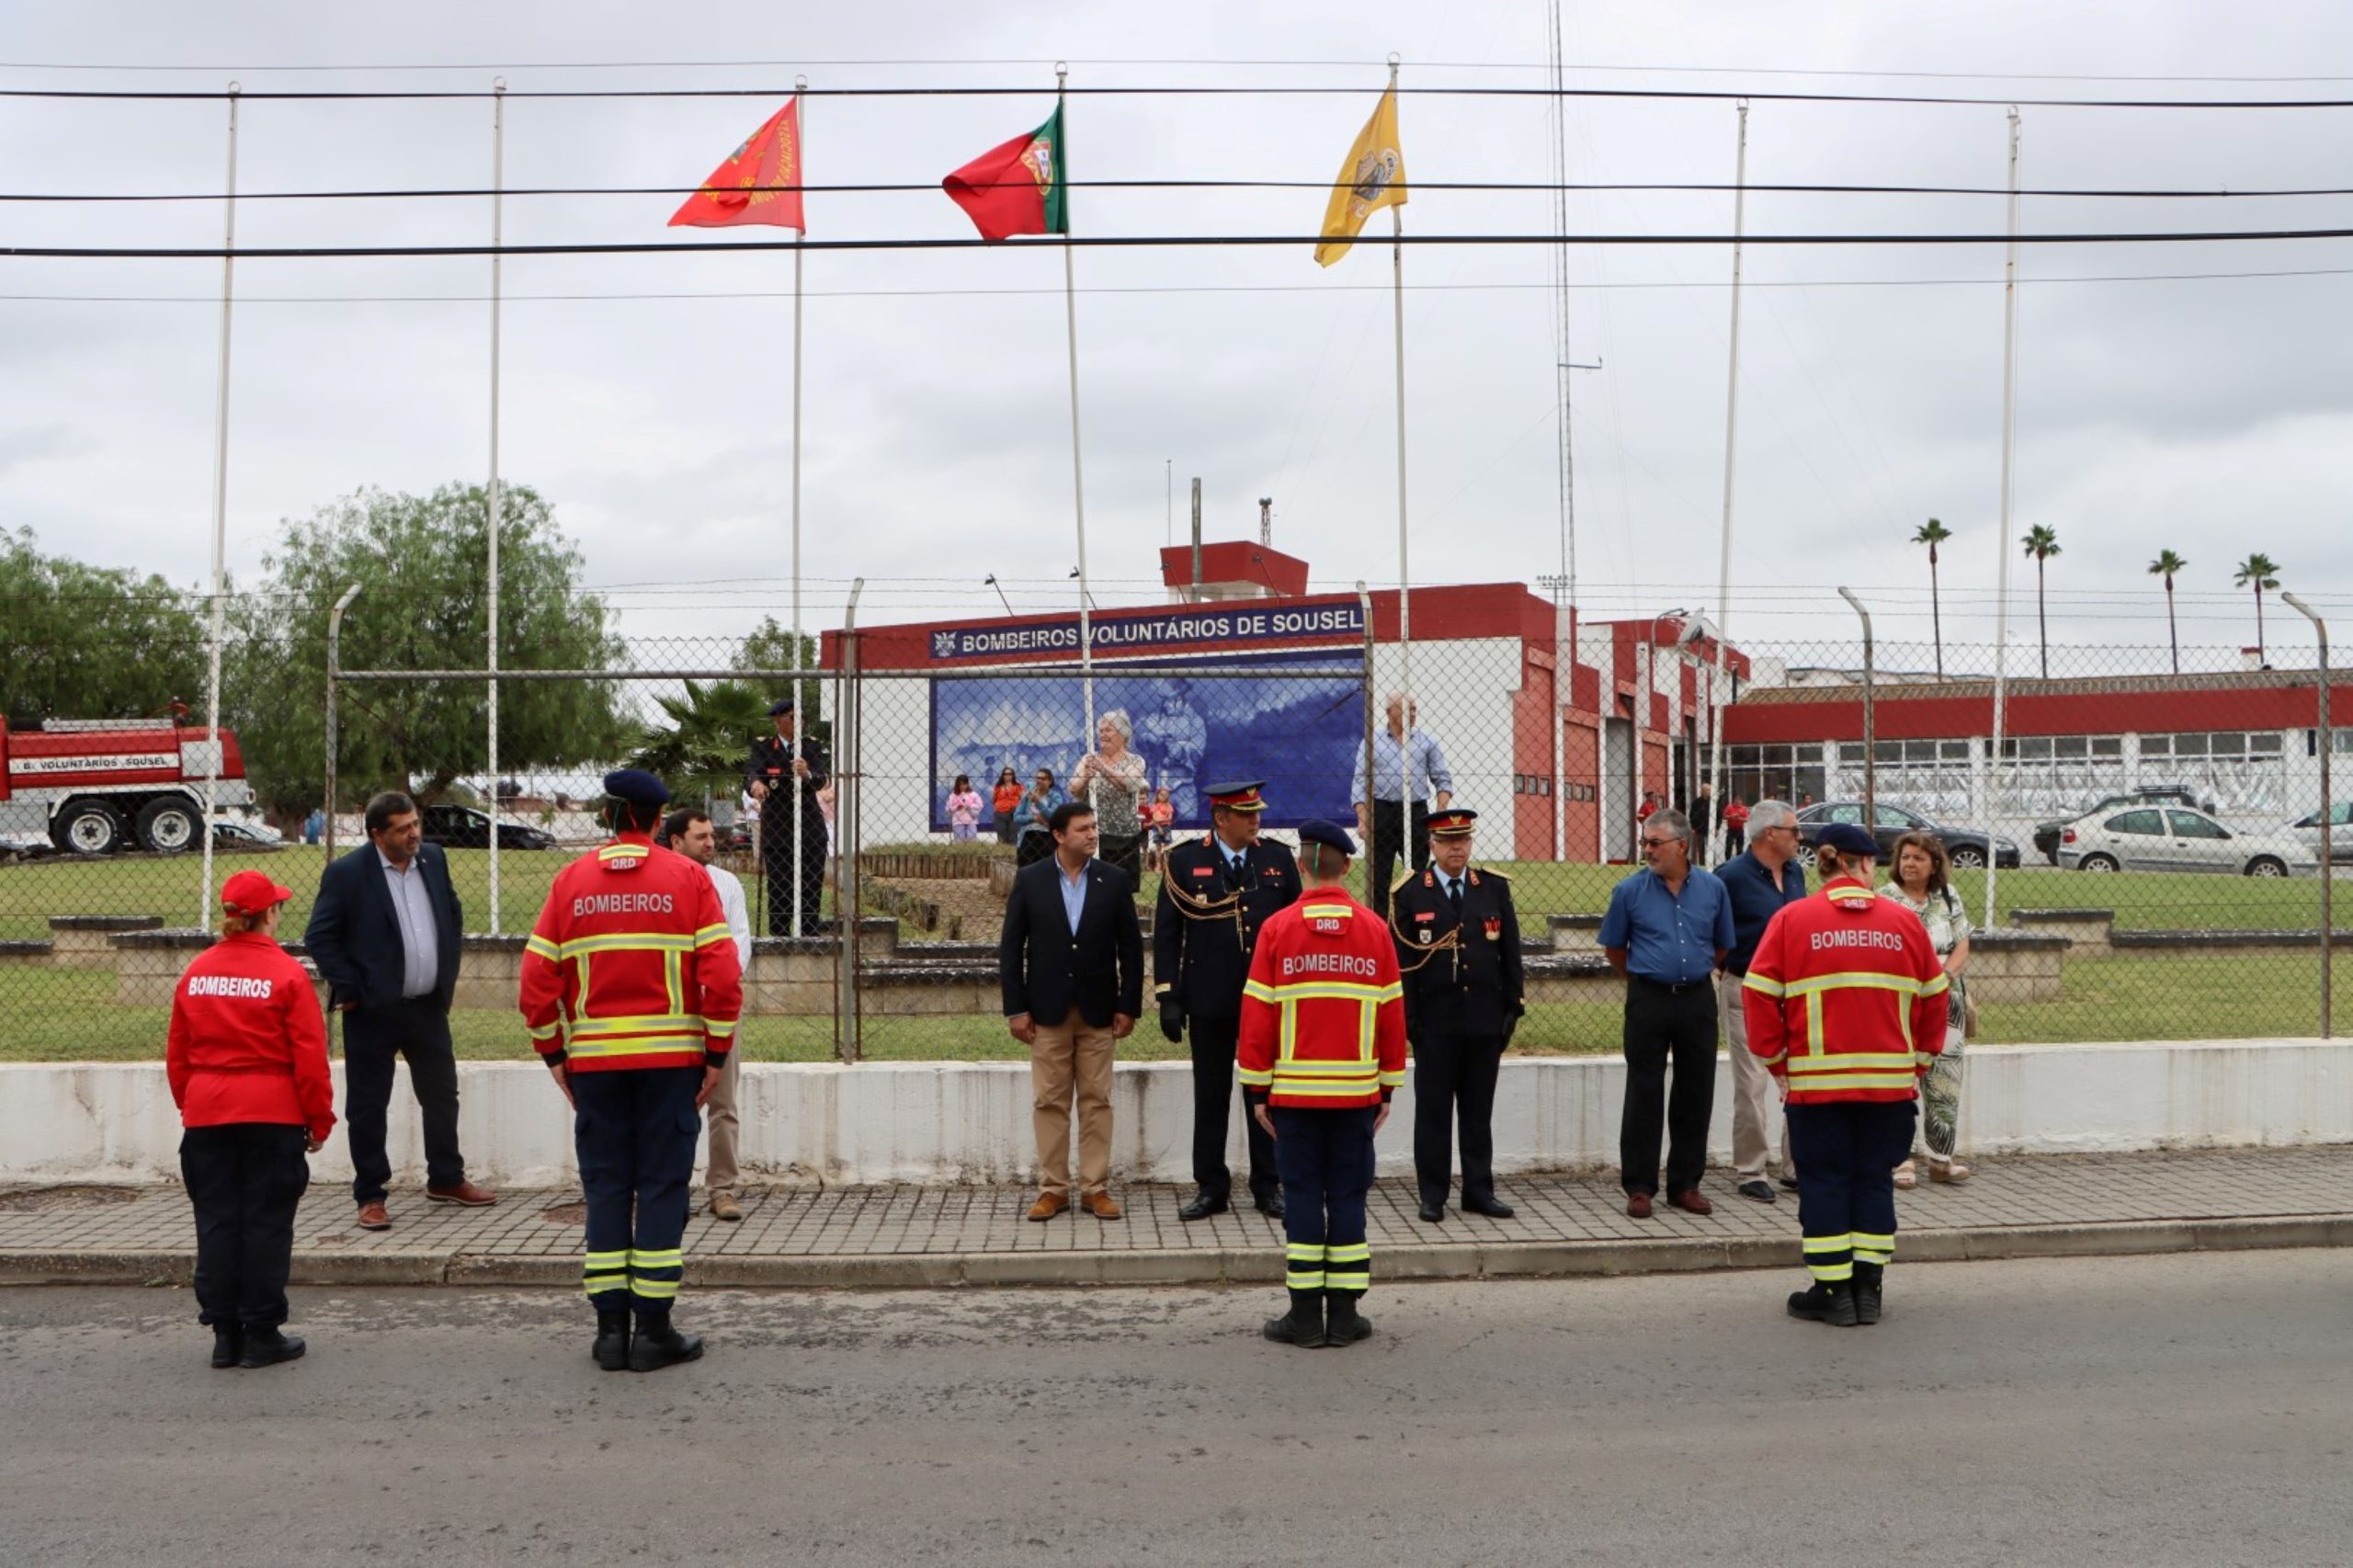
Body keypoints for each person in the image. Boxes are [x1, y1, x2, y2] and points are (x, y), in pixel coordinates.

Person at [520, 769, 745, 1373]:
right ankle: (653, 1332)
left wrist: (554, 1055)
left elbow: (536, 981)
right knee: (663, 1188)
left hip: (595, 1068)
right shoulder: (689, 879)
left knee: (607, 1189)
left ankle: (609, 1333)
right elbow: (723, 978)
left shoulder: (571, 881)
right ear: (656, 820)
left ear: (607, 817)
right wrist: (715, 1055)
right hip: (672, 1067)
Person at [1742, 822, 1949, 1327]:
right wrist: (1919, 1062)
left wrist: (1778, 1063)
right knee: (1874, 1180)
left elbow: (1759, 996)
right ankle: (1868, 1290)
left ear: (1823, 863)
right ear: (1866, 864)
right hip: (1890, 1089)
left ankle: (1833, 1292)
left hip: (1817, 1090)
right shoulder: (1904, 923)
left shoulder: (1792, 919)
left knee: (1825, 1184)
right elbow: (1935, 999)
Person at [1238, 820, 1406, 1348]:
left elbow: (1257, 1017)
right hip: (1356, 1096)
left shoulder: (1276, 930)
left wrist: (1258, 1091)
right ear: (1347, 867)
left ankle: (1306, 1317)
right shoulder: (1375, 930)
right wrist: (1387, 1088)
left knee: (1304, 1196)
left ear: (1300, 865)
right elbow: (1392, 1016)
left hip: (1293, 1098)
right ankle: (1346, 1315)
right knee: (1349, 1196)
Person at [303, 789, 494, 1232]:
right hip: (372, 1011)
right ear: (377, 834)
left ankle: (446, 1178)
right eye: (403, 828)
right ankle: (371, 1194)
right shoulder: (348, 873)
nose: (414, 834)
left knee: (441, 1095)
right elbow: (320, 937)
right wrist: (352, 987)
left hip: (427, 1006)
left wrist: (445, 969)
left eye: (416, 824)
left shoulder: (433, 858)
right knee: (369, 1105)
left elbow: (452, 914)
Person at [167, 869, 335, 1370]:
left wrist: (193, 1104)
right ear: (270, 914)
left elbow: (178, 1053)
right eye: (278, 907)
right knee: (265, 1223)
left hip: (207, 1114)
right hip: (272, 1113)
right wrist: (319, 1119)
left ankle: (224, 1334)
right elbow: (309, 1057)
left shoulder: (197, 972)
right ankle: (261, 1332)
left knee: (217, 1221)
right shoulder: (287, 974)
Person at [1154, 780, 1301, 1221]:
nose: (1256, 820)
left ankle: (1268, 1184)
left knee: (1265, 1093)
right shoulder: (1184, 861)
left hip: (1266, 999)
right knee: (1211, 1093)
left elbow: (1295, 928)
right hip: (1208, 997)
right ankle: (1211, 1187)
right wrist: (1169, 996)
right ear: (1221, 819)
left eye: (1257, 812)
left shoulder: (1276, 858)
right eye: (1246, 814)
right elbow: (1168, 934)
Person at [998, 800, 1143, 1222]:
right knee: (1050, 1101)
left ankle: (1095, 1189)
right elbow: (1011, 948)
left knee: (1097, 1101)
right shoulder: (1031, 879)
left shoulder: (1114, 880)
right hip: (1046, 1012)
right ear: (1059, 836)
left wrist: (1128, 1004)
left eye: (1094, 827)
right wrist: (1016, 1009)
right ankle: (1053, 1190)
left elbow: (1131, 949)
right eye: (1083, 829)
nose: (1093, 834)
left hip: (1099, 1011)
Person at [1389, 807, 1524, 1223]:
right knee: (1433, 1112)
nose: (1457, 848)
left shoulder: (1492, 888)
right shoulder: (1412, 892)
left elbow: (1510, 953)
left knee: (1477, 1111)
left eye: (1463, 840)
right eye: (1448, 842)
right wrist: (1410, 1017)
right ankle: (1433, 1194)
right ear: (1432, 845)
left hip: (1484, 1019)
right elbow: (1402, 963)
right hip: (1435, 1022)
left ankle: (1479, 1191)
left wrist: (1513, 1006)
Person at [1599, 806, 1734, 1219]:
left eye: (1655, 843)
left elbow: (1722, 944)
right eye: (1645, 842)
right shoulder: (1629, 891)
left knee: (1696, 1091)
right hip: (1648, 1000)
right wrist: (1646, 976)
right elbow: (1614, 948)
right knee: (1644, 1092)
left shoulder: (1713, 888)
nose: (1647, 850)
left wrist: (1689, 971)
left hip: (1696, 999)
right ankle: (1640, 1187)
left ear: (1682, 845)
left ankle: (1686, 1185)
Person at [663, 807, 756, 1221]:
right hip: (672, 1011)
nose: (711, 843)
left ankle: (722, 1188)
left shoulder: (727, 883)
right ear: (676, 841)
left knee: (723, 1103)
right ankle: (668, 1188)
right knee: (670, 1103)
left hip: (719, 1005)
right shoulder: (661, 885)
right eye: (700, 837)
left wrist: (716, 988)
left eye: (711, 835)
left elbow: (739, 943)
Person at [1714, 800, 1807, 1203]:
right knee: (1752, 1082)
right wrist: (1725, 970)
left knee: (1800, 1078)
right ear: (1770, 834)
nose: (1800, 837)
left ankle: (1797, 1167)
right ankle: (1751, 1170)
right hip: (1748, 989)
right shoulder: (1730, 877)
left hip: (1795, 990)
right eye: (1794, 830)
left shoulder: (1796, 872)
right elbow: (1714, 931)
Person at [1881, 831, 1975, 1187]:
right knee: (1900, 1079)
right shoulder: (1884, 899)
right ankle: (1900, 1159)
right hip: (1901, 999)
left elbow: (1962, 943)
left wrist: (1944, 977)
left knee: (1945, 1078)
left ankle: (1941, 1159)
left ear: (1934, 864)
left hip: (1946, 999)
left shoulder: (1948, 897)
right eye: (1905, 857)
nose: (1910, 864)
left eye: (1918, 858)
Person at [1350, 692, 1455, 924]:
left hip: (1417, 812)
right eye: (1408, 709)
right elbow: (1359, 782)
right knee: (1379, 876)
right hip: (1383, 812)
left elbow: (1443, 780)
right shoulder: (1372, 742)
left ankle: (1416, 924)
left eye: (1415, 709)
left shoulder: (1427, 742)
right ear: (1390, 712)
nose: (1413, 713)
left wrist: (1439, 815)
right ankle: (1379, 926)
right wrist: (1363, 820)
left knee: (1418, 874)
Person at [745, 696, 829, 937]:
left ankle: (809, 936)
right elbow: (751, 773)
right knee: (780, 887)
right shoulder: (764, 746)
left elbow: (821, 779)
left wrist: (807, 774)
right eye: (792, 717)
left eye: (802, 718)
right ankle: (780, 938)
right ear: (777, 720)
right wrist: (756, 784)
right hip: (778, 828)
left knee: (811, 886)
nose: (799, 722)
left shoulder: (811, 746)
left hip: (809, 827)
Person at [1070, 710, 1150, 881]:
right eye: (1100, 730)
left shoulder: (1135, 761)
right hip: (1094, 836)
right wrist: (1085, 779)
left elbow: (1127, 783)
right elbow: (1074, 789)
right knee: (1093, 886)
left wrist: (1102, 768)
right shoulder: (1089, 759)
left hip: (1126, 837)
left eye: (1108, 730)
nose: (1102, 734)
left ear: (1123, 734)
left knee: (1123, 888)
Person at [1012, 767, 1068, 869]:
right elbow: (1016, 817)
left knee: (1047, 869)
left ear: (1050, 781)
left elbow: (1053, 816)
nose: (1039, 781)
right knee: (1026, 869)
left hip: (1047, 835)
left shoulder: (1055, 797)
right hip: (1028, 835)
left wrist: (1038, 803)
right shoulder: (1028, 796)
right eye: (1038, 778)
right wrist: (1033, 818)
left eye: (1043, 778)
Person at [1142, 785, 1176, 873]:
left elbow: (1170, 818)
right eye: (1161, 795)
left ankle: (1167, 865)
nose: (1163, 797)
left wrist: (1160, 819)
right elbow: (1155, 819)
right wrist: (1159, 825)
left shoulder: (1169, 806)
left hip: (1167, 827)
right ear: (1158, 795)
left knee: (1167, 847)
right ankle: (1158, 865)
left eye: (1166, 795)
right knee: (1158, 847)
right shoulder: (1155, 806)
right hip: (1157, 828)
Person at [990, 767, 1024, 846]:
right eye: (1005, 774)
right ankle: (1003, 850)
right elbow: (993, 800)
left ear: (1013, 775)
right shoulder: (998, 787)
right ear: (1003, 775)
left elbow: (1023, 799)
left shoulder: (1018, 786)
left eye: (1010, 774)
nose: (1008, 776)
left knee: (1013, 834)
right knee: (1001, 835)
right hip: (1000, 813)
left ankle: (1013, 850)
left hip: (1014, 813)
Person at [946, 774, 984, 843]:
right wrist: (956, 808)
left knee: (972, 839)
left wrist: (970, 806)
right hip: (958, 821)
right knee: (959, 840)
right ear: (957, 785)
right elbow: (948, 808)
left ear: (967, 784)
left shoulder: (973, 794)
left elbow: (980, 805)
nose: (962, 786)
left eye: (964, 784)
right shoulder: (953, 795)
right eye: (960, 784)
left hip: (971, 820)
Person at [1722, 796, 1751, 862]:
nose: (1737, 802)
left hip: (1740, 829)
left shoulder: (1744, 809)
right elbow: (1724, 816)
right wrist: (1731, 817)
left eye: (1739, 801)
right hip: (1731, 829)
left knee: (1740, 847)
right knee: (1729, 846)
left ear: (1741, 802)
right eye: (1736, 801)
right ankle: (1727, 860)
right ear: (1734, 801)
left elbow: (1747, 819)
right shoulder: (1729, 807)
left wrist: (1739, 818)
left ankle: (1739, 861)